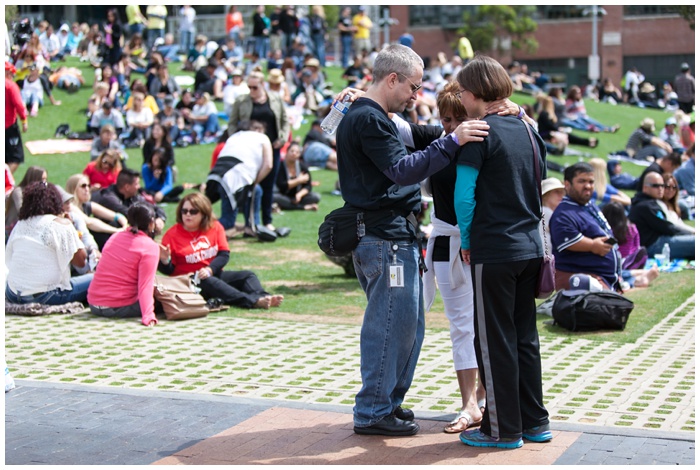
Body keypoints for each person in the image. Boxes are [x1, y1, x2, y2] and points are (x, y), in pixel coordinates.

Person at [335, 44, 478, 437]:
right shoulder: (369, 119)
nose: (417, 96)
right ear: (392, 79)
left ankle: (386, 403)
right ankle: (373, 410)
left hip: (393, 238)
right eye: (413, 87)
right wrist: (453, 141)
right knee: (390, 325)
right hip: (384, 239)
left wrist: (467, 128)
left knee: (408, 324)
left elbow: (423, 135)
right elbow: (402, 169)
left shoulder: (374, 116)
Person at [449, 55, 549, 449]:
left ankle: (501, 429)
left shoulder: (478, 132)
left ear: (473, 94)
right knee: (525, 335)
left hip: (495, 249)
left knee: (493, 340)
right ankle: (534, 422)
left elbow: (463, 198)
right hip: (530, 247)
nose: (461, 98)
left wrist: (469, 241)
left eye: (462, 92)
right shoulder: (528, 128)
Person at [159, 193, 283, 309]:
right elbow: (170, 270)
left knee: (248, 275)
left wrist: (210, 269)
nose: (187, 215)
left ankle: (263, 296)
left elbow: (224, 254)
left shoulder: (215, 227)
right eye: (184, 211)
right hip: (189, 282)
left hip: (211, 274)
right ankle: (253, 301)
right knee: (207, 281)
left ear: (204, 213)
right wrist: (164, 260)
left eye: (193, 211)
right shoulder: (172, 235)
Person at [5, 182, 93, 305]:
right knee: (96, 278)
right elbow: (80, 261)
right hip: (44, 296)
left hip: (13, 294)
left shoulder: (20, 224)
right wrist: (71, 229)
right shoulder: (61, 224)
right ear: (56, 201)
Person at [228, 70, 290, 232]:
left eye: (254, 87)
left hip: (272, 148)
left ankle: (267, 220)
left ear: (263, 85)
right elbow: (232, 123)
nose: (251, 90)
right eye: (249, 87)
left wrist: (282, 139)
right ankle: (250, 222)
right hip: (250, 151)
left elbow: (284, 121)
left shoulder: (275, 99)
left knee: (268, 186)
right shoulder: (242, 101)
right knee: (251, 185)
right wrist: (238, 140)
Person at [550, 162, 620, 292]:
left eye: (591, 182)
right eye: (581, 181)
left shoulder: (589, 205)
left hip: (602, 276)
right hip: (580, 277)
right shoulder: (563, 213)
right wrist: (593, 245)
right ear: (567, 184)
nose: (588, 186)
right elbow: (567, 241)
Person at [87, 203, 159, 326]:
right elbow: (145, 286)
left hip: (94, 303)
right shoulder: (149, 247)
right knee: (163, 300)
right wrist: (148, 315)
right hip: (118, 307)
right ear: (151, 223)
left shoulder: (115, 237)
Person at [206, 120, 272, 235]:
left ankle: (251, 225)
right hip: (236, 177)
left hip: (216, 175)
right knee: (228, 221)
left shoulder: (234, 136)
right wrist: (255, 181)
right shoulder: (262, 138)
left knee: (256, 191)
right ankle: (201, 230)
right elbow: (268, 165)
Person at [629, 172, 695, 260]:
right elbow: (667, 227)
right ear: (645, 188)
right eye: (656, 186)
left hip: (659, 241)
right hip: (654, 245)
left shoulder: (649, 202)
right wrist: (690, 233)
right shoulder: (646, 206)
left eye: (662, 185)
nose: (660, 189)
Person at [91, 168, 167, 238]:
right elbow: (130, 214)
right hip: (107, 238)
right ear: (127, 187)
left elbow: (155, 208)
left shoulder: (133, 196)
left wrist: (160, 219)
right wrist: (151, 222)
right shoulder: (109, 198)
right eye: (136, 184)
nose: (139, 187)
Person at [65, 173, 128, 245]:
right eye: (83, 186)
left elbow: (116, 216)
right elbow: (89, 222)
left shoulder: (87, 205)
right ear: (73, 188)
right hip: (75, 243)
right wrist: (116, 230)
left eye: (88, 186)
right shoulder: (69, 207)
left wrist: (124, 226)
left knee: (115, 223)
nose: (87, 189)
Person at [273, 141, 320, 211]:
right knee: (274, 197)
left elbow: (308, 186)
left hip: (298, 196)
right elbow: (282, 185)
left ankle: (285, 206)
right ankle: (303, 207)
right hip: (283, 195)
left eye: (297, 152)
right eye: (292, 151)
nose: (294, 154)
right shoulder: (280, 166)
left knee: (316, 196)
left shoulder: (302, 167)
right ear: (287, 152)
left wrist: (299, 195)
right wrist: (299, 180)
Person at [5, 165, 46, 237]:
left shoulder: (42, 192)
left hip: (28, 228)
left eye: (45, 179)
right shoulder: (18, 192)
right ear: (34, 178)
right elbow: (22, 211)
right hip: (11, 229)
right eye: (42, 179)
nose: (44, 182)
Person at [5, 61, 28, 175]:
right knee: (15, 158)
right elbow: (19, 104)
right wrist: (24, 120)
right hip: (8, 126)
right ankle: (5, 183)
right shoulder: (10, 86)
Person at [540, 177, 566, 250]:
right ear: (546, 195)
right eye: (557, 192)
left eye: (562, 192)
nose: (561, 195)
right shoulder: (545, 212)